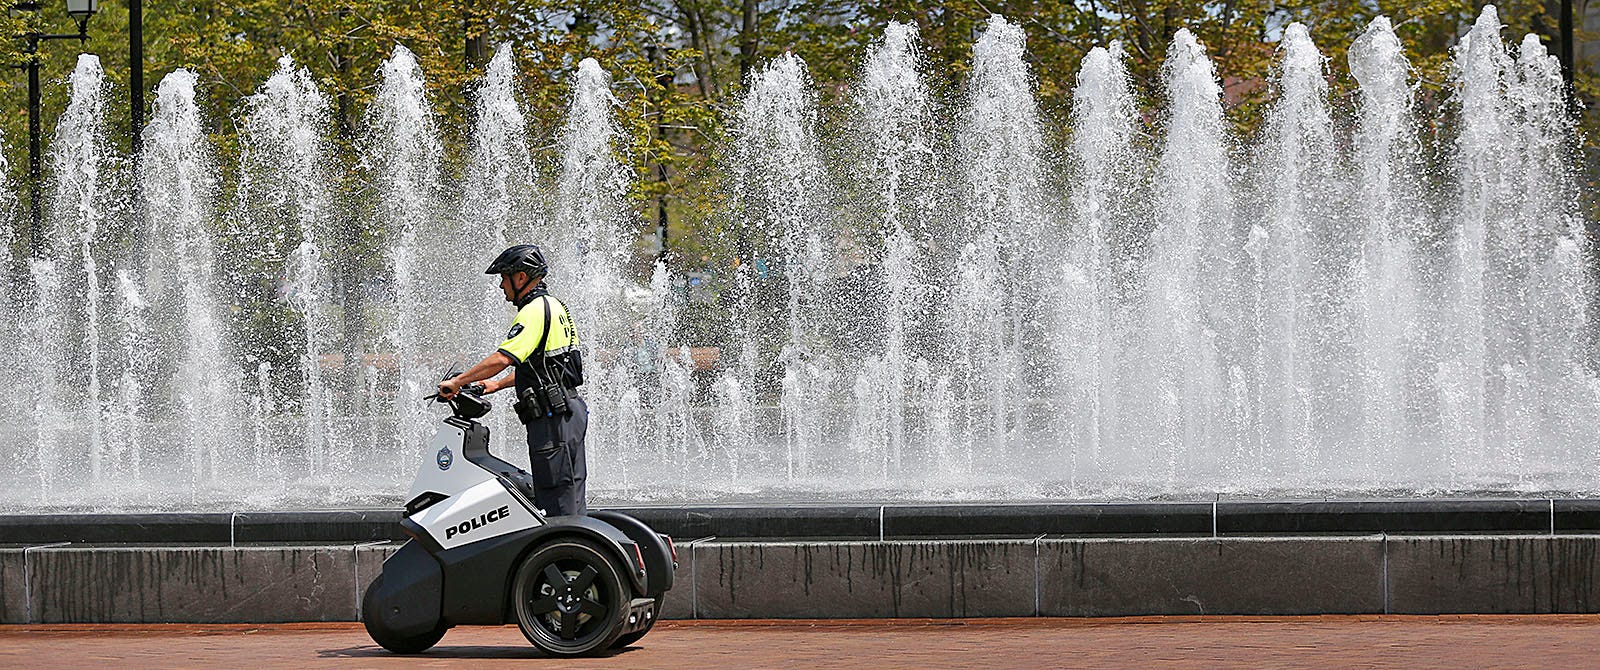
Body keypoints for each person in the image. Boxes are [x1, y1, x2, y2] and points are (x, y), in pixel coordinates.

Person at [436, 244, 588, 516]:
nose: (501, 285)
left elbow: (502, 358)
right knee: (569, 497)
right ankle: (575, 555)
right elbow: (542, 366)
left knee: (556, 500)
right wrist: (495, 385)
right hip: (568, 412)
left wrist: (458, 382)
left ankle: (565, 555)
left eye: (505, 277)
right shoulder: (555, 306)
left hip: (552, 419)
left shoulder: (533, 311)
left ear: (521, 277)